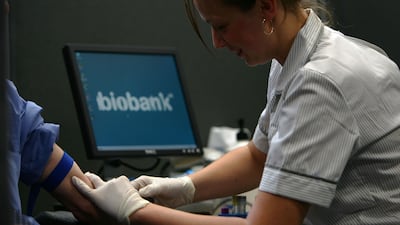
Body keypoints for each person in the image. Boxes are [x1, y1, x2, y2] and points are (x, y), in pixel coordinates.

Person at [72, 0, 400, 224]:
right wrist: (184, 187)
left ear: (266, 6)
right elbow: (259, 157)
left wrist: (135, 211)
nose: (216, 41)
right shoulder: (302, 57)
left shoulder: (321, 81)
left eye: (222, 26)